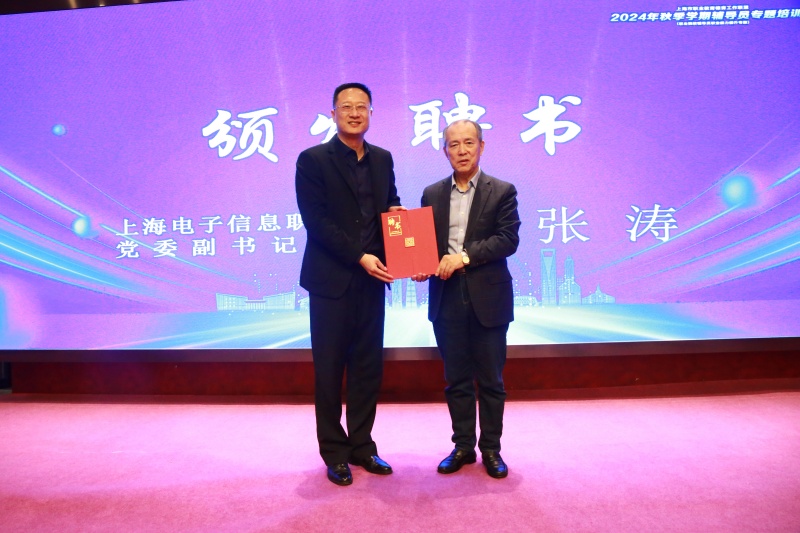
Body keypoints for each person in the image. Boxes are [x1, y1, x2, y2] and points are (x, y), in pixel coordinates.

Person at [295, 83, 405, 486]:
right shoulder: (312, 160)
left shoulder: (383, 158)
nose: (355, 113)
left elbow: (389, 203)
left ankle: (362, 446)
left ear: (371, 113)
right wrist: (359, 256)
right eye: (347, 107)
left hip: (373, 280)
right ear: (333, 113)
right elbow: (317, 222)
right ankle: (334, 452)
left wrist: (399, 218)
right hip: (331, 282)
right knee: (329, 370)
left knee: (366, 367)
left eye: (362, 107)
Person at [416, 119, 520, 478]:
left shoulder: (502, 191)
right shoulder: (431, 194)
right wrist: (419, 264)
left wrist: (463, 257)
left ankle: (491, 449)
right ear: (444, 150)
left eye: (469, 143)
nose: (462, 151)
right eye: (454, 144)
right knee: (456, 379)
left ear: (481, 146)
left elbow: (507, 239)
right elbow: (426, 245)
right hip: (446, 297)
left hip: (489, 298)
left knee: (491, 380)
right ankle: (462, 446)